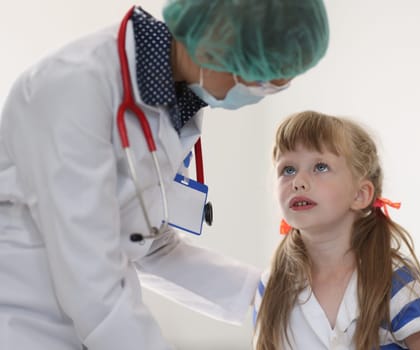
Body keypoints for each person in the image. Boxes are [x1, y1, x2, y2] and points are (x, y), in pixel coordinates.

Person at [0, 1, 329, 349]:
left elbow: (148, 244)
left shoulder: (174, 98)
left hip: (91, 320)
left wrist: (278, 298)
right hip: (23, 320)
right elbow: (88, 271)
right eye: (262, 81)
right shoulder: (74, 86)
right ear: (214, 42)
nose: (259, 97)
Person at [253, 111, 420, 349]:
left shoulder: (395, 282)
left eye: (320, 167)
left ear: (360, 194)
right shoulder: (271, 286)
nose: (298, 181)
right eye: (288, 170)